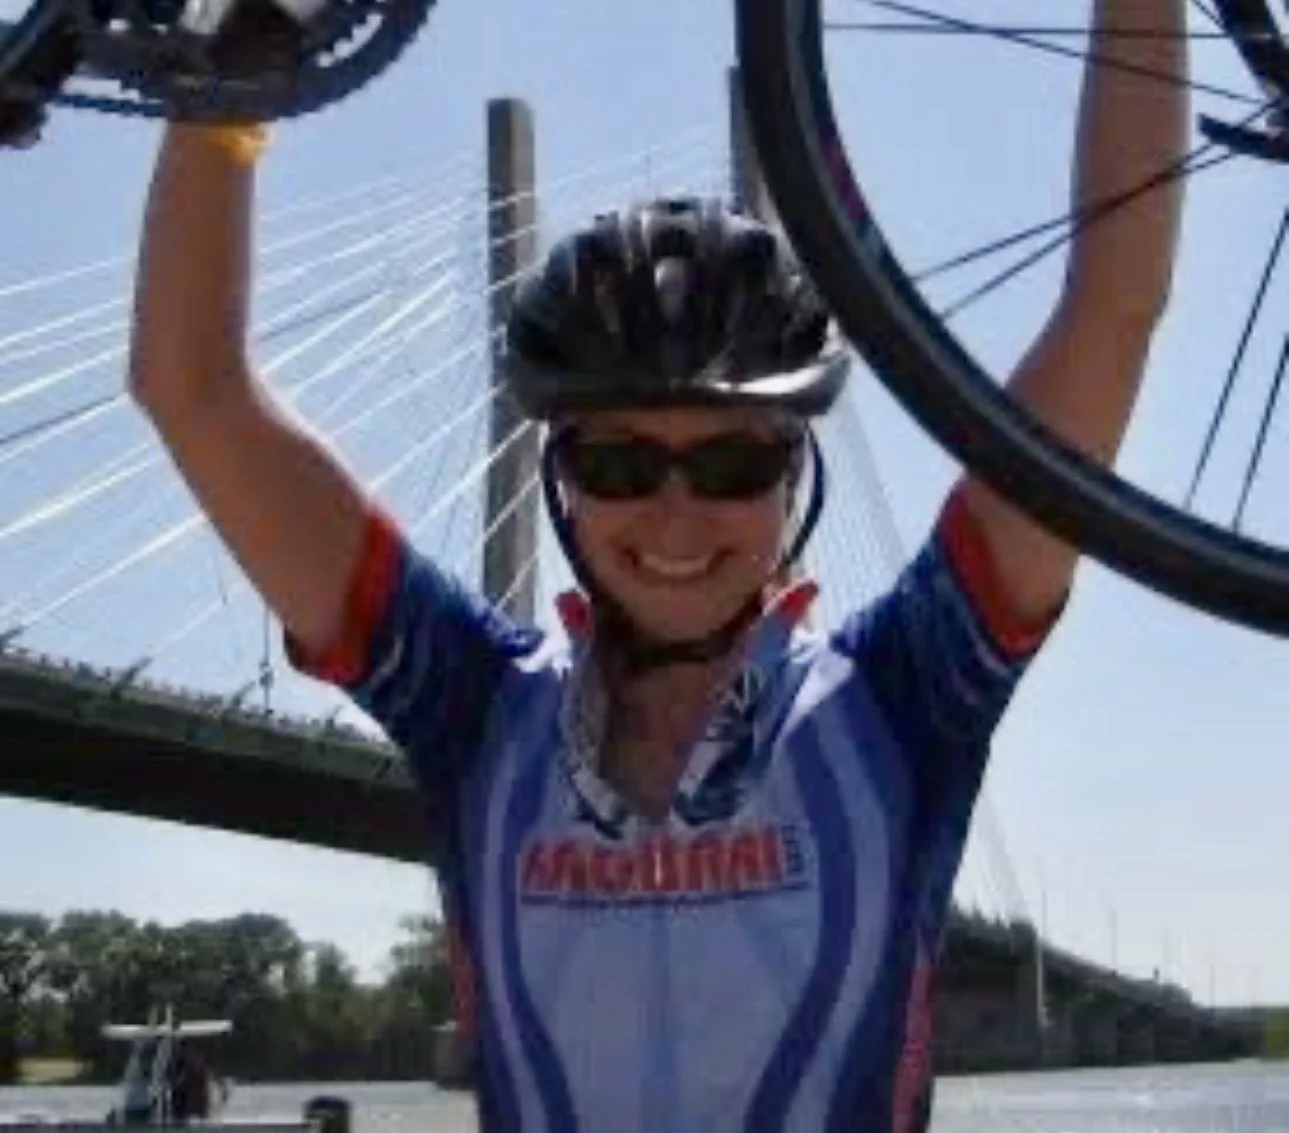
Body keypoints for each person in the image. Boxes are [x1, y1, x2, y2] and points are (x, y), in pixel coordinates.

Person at [126, 1, 1187, 1126]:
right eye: (623, 461)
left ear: (793, 477)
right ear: (562, 481)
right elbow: (192, 388)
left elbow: (1110, 308)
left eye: (730, 461)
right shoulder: (472, 700)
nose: (676, 516)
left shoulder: (907, 689)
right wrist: (229, 93)